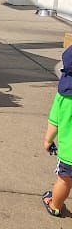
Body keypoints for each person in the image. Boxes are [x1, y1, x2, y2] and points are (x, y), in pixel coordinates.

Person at [42, 46, 72, 217]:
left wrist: (48, 141)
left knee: (64, 181)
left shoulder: (63, 97)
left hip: (69, 153)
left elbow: (54, 122)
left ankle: (55, 205)